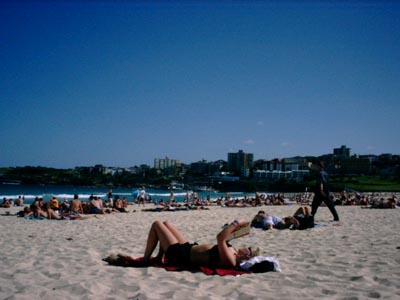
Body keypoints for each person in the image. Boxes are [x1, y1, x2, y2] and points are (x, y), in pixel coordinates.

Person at [138, 219, 259, 269]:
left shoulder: (230, 261)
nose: (245, 246)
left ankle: (145, 260)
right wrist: (241, 231)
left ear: (248, 256)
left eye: (248, 248)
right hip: (188, 247)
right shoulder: (233, 251)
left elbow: (220, 238)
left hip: (181, 255)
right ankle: (159, 257)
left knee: (156, 224)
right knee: (166, 223)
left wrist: (237, 222)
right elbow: (227, 237)